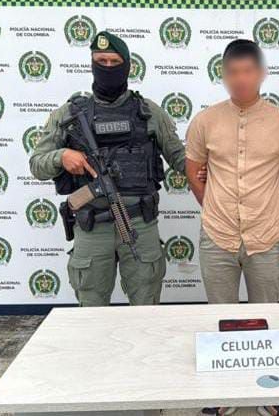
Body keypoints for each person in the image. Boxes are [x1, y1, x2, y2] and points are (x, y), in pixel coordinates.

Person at [30, 30, 196, 306]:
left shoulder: (149, 112)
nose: (108, 67)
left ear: (127, 66)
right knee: (92, 308)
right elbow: (37, 164)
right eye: (101, 61)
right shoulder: (69, 114)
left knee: (146, 305)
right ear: (92, 63)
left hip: (139, 224)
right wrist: (62, 156)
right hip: (92, 226)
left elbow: (181, 160)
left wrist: (219, 167)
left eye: (114, 62)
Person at [186, 39, 279, 416]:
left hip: (265, 237)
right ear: (223, 75)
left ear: (261, 73)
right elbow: (195, 174)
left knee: (265, 316)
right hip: (217, 236)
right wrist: (219, 206)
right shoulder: (205, 121)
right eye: (233, 72)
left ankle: (269, 390)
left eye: (248, 71)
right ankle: (225, 392)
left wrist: (266, 206)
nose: (240, 79)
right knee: (220, 317)